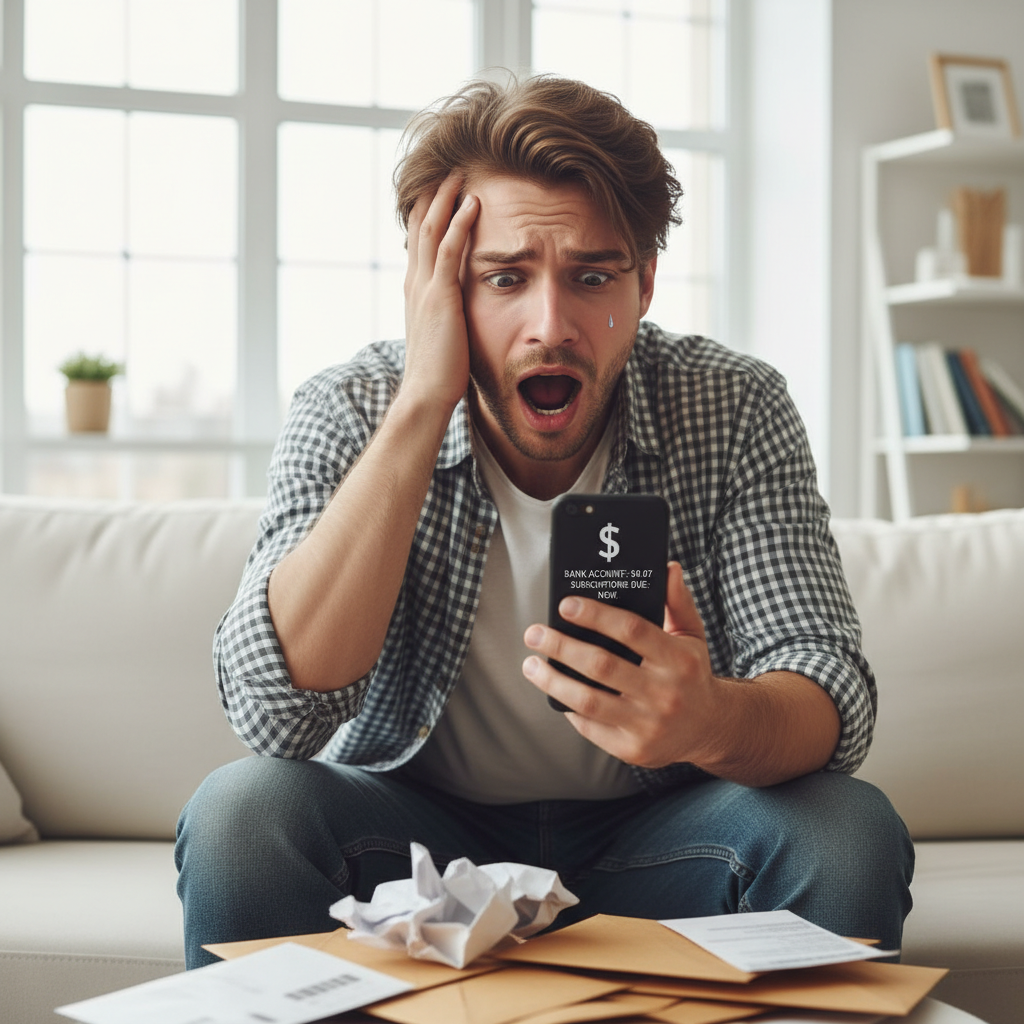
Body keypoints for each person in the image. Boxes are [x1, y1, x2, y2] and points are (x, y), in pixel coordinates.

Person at [176, 75, 913, 969]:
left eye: (593, 277)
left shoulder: (734, 405)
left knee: (846, 830)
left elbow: (827, 686)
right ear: (440, 290)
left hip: (661, 839)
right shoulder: (352, 406)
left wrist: (709, 720)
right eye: (504, 278)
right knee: (241, 815)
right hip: (416, 846)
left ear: (645, 283)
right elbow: (273, 717)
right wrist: (422, 403)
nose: (550, 326)